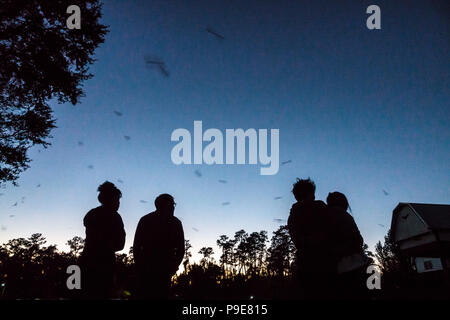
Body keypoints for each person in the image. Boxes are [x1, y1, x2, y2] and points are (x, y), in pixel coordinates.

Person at [287, 178, 337, 298]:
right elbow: (334, 229)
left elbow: (297, 241)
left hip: (304, 265)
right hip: (325, 264)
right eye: (313, 193)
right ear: (311, 193)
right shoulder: (320, 207)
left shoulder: (293, 216)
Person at [80, 181, 126, 299]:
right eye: (117, 200)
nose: (118, 204)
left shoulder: (91, 214)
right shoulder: (115, 216)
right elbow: (120, 244)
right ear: (111, 200)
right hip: (105, 266)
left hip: (86, 263)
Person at [133, 194, 185, 299]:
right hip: (150, 270)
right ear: (163, 205)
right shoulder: (174, 223)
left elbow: (181, 249)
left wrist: (174, 267)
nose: (173, 207)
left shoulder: (145, 220)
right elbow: (136, 246)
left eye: (174, 205)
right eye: (172, 204)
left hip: (162, 270)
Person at [326, 192, 368, 299]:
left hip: (335, 269)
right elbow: (359, 240)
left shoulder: (323, 216)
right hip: (354, 266)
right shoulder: (345, 216)